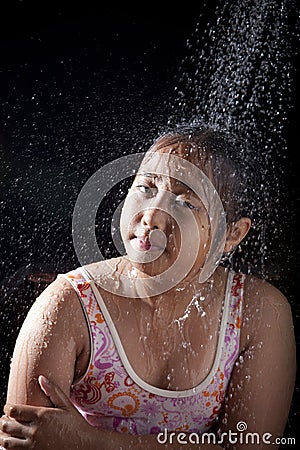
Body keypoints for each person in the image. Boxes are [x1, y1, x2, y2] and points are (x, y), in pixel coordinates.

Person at [0, 124, 296, 449]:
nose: (152, 215)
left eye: (186, 203)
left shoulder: (257, 313)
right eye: (146, 188)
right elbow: (24, 441)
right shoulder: (69, 305)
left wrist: (90, 442)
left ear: (232, 235)